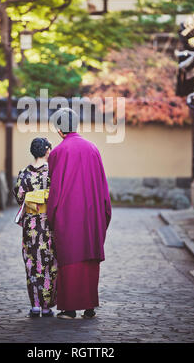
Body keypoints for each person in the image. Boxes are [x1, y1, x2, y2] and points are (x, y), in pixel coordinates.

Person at [47, 107, 112, 319]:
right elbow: (103, 187)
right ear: (76, 125)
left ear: (59, 129)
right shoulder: (93, 149)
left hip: (68, 216)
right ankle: (89, 306)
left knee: (69, 258)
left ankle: (69, 309)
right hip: (92, 215)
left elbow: (55, 190)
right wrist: (104, 215)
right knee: (88, 259)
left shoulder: (57, 153)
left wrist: (51, 218)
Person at [13, 137, 57, 318]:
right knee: (48, 263)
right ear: (47, 150)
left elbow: (19, 196)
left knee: (32, 263)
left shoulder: (24, 174)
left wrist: (33, 197)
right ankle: (47, 307)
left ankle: (35, 305)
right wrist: (44, 196)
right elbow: (57, 196)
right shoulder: (52, 173)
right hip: (48, 224)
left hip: (31, 225)